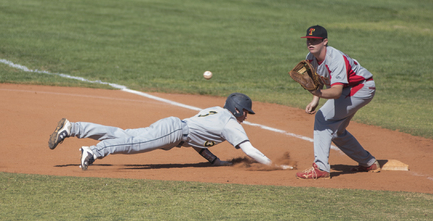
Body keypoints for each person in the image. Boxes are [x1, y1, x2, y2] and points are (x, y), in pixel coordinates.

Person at [48, 93, 291, 170]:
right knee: (132, 144)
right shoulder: (230, 124)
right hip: (174, 132)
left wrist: (215, 161)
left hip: (174, 129)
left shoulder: (217, 111)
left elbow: (198, 141)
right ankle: (93, 152)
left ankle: (73, 128)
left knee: (124, 135)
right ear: (237, 110)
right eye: (246, 112)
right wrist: (273, 165)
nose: (246, 116)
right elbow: (248, 149)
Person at [295, 25, 379, 180]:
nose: (310, 43)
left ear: (325, 41)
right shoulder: (311, 57)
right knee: (337, 131)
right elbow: (317, 80)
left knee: (322, 118)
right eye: (308, 40)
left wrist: (317, 93)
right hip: (350, 89)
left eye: (315, 40)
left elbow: (336, 92)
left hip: (361, 88)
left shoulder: (335, 59)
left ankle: (320, 168)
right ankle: (368, 162)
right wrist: (315, 99)